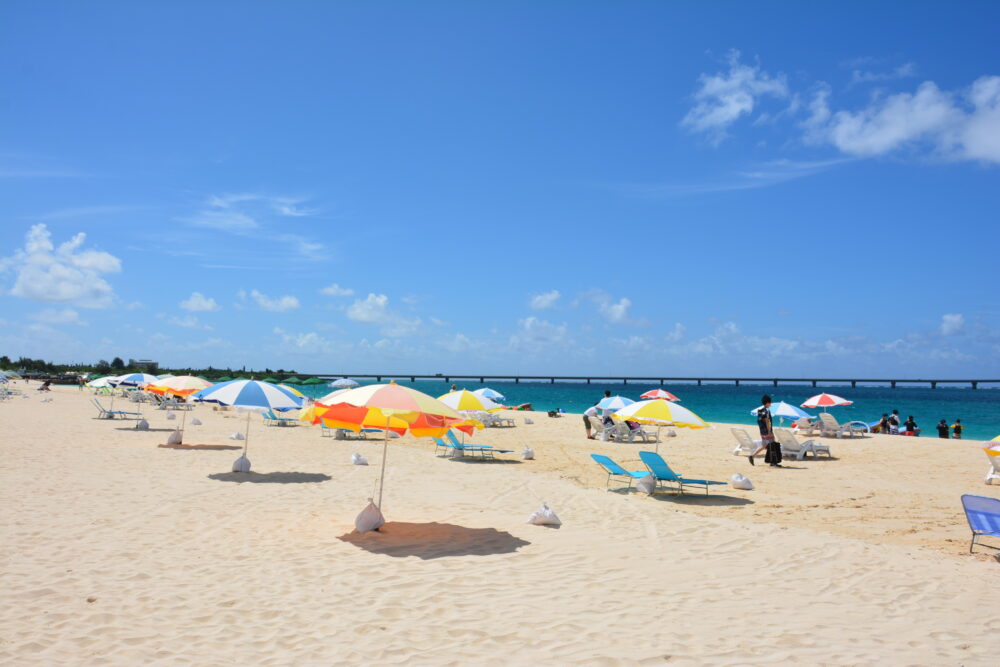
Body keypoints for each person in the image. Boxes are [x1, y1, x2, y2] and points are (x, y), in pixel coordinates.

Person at [749, 395, 781, 467]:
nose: (771, 404)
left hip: (762, 432)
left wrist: (763, 432)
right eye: (770, 403)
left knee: (764, 446)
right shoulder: (767, 411)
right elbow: (767, 421)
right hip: (767, 431)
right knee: (773, 445)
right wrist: (769, 431)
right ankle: (773, 462)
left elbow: (760, 422)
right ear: (767, 403)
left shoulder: (760, 411)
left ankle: (752, 456)